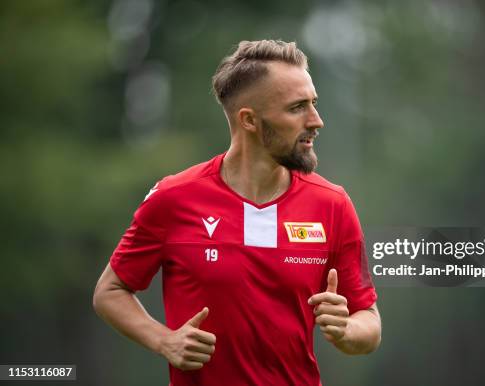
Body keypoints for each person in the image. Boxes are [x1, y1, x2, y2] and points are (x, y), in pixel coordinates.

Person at [93, 39, 381, 386]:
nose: (316, 121)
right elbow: (110, 292)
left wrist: (346, 328)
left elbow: (370, 322)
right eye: (297, 108)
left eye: (314, 104)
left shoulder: (332, 204)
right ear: (249, 120)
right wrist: (163, 339)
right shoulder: (174, 198)